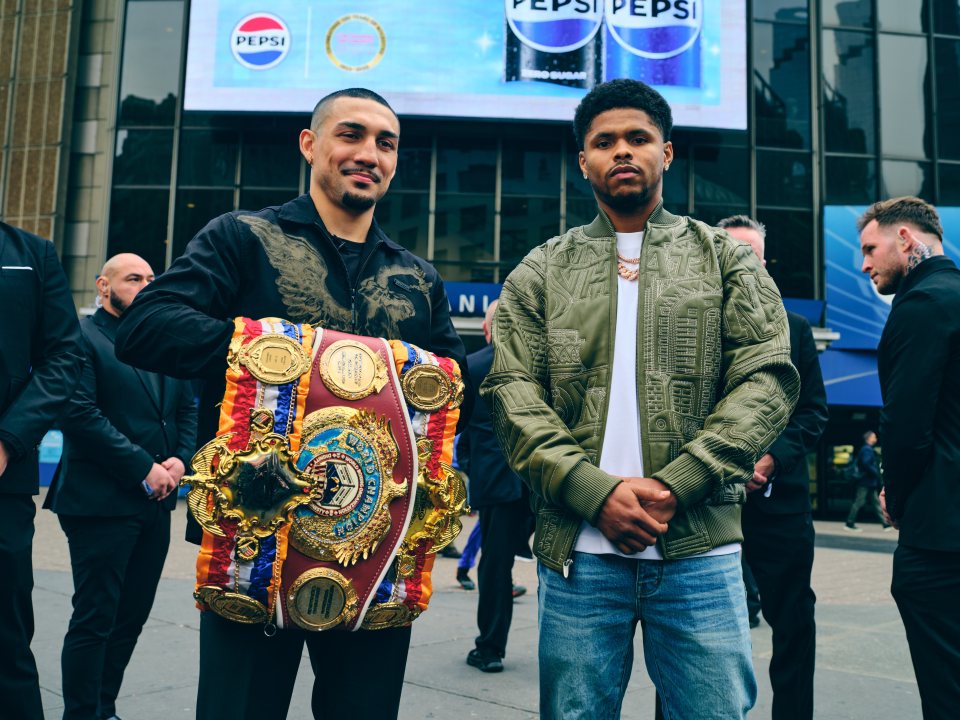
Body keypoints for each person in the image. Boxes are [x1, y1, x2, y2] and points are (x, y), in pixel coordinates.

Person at [114, 88, 470, 720]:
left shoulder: (418, 277)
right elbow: (145, 328)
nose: (369, 154)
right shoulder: (243, 237)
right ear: (310, 144)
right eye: (351, 135)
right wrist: (276, 355)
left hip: (375, 552)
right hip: (255, 542)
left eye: (385, 144)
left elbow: (452, 387)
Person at [483, 78, 799, 719]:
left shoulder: (725, 262)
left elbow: (767, 378)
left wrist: (683, 479)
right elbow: (511, 394)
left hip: (701, 549)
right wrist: (594, 492)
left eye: (638, 138)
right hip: (579, 552)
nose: (622, 151)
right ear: (584, 161)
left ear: (667, 152)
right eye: (605, 142)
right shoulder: (539, 271)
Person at [44, 253, 198, 720]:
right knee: (96, 617)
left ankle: (103, 708)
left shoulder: (161, 341)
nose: (146, 285)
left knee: (130, 617)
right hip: (98, 502)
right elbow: (78, 413)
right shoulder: (81, 337)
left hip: (156, 501)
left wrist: (179, 460)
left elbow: (185, 408)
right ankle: (81, 714)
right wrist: (142, 468)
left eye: (152, 278)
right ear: (103, 286)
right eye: (134, 278)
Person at [718, 215, 828, 720]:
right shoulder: (692, 325)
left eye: (755, 255)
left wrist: (769, 458)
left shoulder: (797, 328)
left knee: (793, 625)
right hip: (707, 506)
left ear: (766, 264)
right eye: (736, 252)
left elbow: (812, 413)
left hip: (778, 505)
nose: (747, 263)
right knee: (697, 630)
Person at [858, 196, 960, 719]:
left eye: (871, 248)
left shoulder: (921, 305)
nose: (864, 263)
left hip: (941, 537)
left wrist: (893, 497)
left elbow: (906, 424)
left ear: (906, 239)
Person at [0, 223, 84, 720]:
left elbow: (64, 356)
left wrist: (8, 439)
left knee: (6, 646)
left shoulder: (31, 254)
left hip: (2, 485)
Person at [460, 301, 533, 673]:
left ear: (488, 329)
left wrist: (475, 470)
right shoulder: (541, 365)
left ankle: (490, 649)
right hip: (543, 480)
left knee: (495, 567)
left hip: (497, 482)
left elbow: (463, 434)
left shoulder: (472, 367)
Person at [844, 430, 889, 531]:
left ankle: (885, 524)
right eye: (874, 437)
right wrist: (876, 473)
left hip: (868, 482)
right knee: (859, 501)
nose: (876, 439)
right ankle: (849, 523)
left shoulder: (866, 449)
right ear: (868, 438)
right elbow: (866, 464)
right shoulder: (867, 449)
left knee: (876, 502)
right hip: (865, 481)